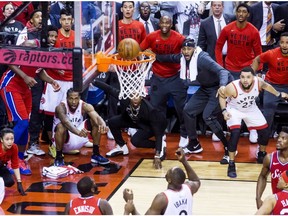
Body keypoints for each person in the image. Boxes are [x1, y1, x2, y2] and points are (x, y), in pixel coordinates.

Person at [155, 38, 233, 164]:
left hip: (218, 88)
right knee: (188, 110)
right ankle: (194, 144)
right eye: (184, 49)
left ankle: (229, 147)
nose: (186, 51)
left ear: (194, 49)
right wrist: (154, 56)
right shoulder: (182, 58)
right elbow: (170, 58)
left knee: (208, 116)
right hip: (205, 88)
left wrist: (223, 86)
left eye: (189, 49)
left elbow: (223, 71)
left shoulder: (202, 58)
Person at [0, 40, 61, 175]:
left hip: (25, 90)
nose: (28, 49)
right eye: (26, 46)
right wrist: (25, 76)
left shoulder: (38, 56)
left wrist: (52, 82)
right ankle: (6, 156)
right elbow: (9, 62)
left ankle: (19, 159)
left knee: (25, 125)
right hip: (10, 86)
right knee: (22, 123)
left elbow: (40, 72)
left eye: (32, 47)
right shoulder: (18, 53)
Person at [219, 67, 288, 179]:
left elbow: (267, 86)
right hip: (234, 110)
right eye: (242, 77)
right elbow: (222, 96)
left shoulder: (258, 82)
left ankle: (261, 154)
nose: (245, 80)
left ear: (253, 77)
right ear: (240, 77)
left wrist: (278, 94)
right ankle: (231, 163)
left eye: (248, 77)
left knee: (265, 130)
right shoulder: (232, 87)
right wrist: (224, 111)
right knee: (235, 133)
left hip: (251, 108)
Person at [92, 79, 167, 169]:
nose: (135, 98)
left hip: (151, 125)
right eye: (132, 96)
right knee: (112, 121)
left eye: (137, 96)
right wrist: (94, 81)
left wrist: (157, 155)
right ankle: (121, 146)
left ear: (141, 97)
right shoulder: (124, 99)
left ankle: (160, 145)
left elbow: (158, 133)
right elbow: (110, 89)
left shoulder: (150, 110)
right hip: (133, 120)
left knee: (135, 141)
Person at [216, 3, 263, 144]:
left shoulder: (253, 31)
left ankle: (253, 129)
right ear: (236, 13)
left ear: (248, 14)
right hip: (230, 69)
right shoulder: (228, 28)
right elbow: (218, 47)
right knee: (227, 98)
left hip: (247, 71)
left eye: (244, 12)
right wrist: (220, 66)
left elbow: (259, 53)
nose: (241, 14)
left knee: (252, 99)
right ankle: (225, 128)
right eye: (239, 11)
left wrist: (257, 71)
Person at [140, 15, 188, 147]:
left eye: (167, 22)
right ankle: (160, 133)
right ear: (159, 24)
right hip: (158, 77)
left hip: (176, 77)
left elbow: (184, 54)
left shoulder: (179, 38)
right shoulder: (151, 37)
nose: (165, 25)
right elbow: (140, 50)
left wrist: (160, 57)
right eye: (162, 22)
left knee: (182, 109)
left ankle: (184, 134)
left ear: (171, 24)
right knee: (156, 109)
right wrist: (147, 54)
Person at [123, 148, 201, 215]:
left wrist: (130, 203)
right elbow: (196, 180)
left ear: (169, 180)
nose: (168, 171)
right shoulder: (189, 187)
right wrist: (184, 161)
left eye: (169, 171)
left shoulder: (162, 198)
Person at [52, 88, 109, 167]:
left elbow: (96, 117)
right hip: (63, 140)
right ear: (67, 98)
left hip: (79, 136)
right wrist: (78, 132)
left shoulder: (85, 105)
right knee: (61, 126)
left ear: (79, 98)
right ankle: (58, 157)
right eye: (71, 99)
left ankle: (96, 154)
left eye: (76, 99)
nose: (74, 102)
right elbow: (66, 122)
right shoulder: (61, 107)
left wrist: (103, 124)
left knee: (95, 122)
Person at [251, 32, 288, 140]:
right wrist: (253, 77)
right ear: (279, 43)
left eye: (287, 43)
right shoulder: (271, 53)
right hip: (272, 85)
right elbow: (257, 60)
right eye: (282, 42)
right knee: (268, 113)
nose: (285, 45)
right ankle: (262, 143)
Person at [256, 126, 288, 209]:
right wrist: (258, 198)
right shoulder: (269, 158)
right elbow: (262, 177)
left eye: (283, 138)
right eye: (279, 137)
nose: (279, 140)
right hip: (277, 202)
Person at [0, 128, 26, 201]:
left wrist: (19, 182)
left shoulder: (14, 147)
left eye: (12, 139)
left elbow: (15, 165)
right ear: (1, 140)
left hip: (1, 166)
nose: (10, 142)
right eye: (7, 139)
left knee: (9, 182)